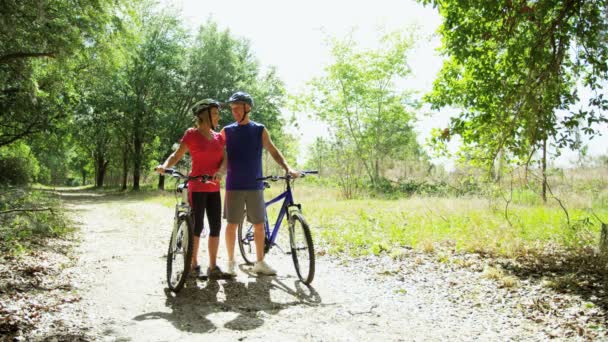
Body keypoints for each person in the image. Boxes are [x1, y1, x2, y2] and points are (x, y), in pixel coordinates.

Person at [221, 91, 299, 276]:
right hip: (234, 185)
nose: (234, 112)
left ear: (248, 108)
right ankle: (231, 263)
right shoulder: (227, 131)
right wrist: (218, 170)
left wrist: (287, 167)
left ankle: (260, 262)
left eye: (238, 108)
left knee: (259, 224)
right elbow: (219, 154)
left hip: (255, 184)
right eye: (232, 109)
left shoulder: (259, 130)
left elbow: (273, 149)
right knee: (232, 224)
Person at [156, 99, 231, 279]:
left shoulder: (219, 137)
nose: (217, 116)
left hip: (214, 188)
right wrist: (164, 166)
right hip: (197, 187)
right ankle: (193, 264)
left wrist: (220, 171)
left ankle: (213, 266)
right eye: (214, 113)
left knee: (216, 226)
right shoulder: (191, 134)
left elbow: (225, 159)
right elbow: (177, 154)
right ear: (203, 116)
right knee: (196, 226)